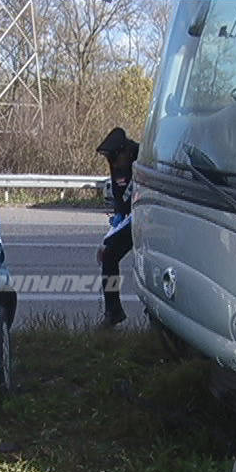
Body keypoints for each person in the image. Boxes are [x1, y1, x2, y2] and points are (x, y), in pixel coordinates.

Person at [95, 127, 139, 328]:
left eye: (114, 158)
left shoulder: (142, 159)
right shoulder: (118, 164)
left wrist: (111, 237)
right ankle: (113, 311)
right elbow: (121, 198)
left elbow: (135, 201)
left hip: (147, 217)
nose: (112, 164)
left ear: (125, 152)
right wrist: (117, 218)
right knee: (109, 255)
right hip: (129, 217)